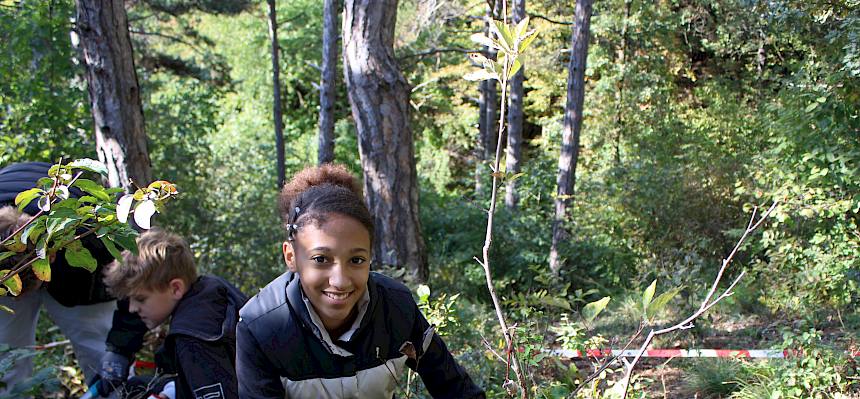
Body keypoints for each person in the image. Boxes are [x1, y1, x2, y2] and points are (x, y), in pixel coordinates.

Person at [236, 164, 485, 398]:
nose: (340, 281)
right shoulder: (261, 327)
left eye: (356, 260)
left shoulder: (395, 307)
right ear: (291, 256)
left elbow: (456, 388)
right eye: (321, 259)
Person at [0, 161, 147, 393]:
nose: (18, 299)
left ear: (51, 258)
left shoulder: (92, 237)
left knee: (102, 354)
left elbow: (130, 290)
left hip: (77, 275)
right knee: (4, 357)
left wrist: (120, 349)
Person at [102, 228, 248, 399]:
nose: (132, 308)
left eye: (140, 299)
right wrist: (171, 391)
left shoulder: (193, 339)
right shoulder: (211, 290)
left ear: (175, 288)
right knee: (137, 385)